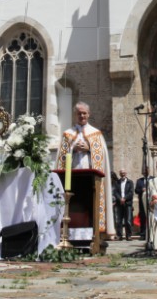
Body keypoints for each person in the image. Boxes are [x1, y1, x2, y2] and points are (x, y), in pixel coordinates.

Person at [55, 102, 116, 240]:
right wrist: (72, 148)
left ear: (89, 114)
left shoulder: (96, 134)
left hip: (90, 177)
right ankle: (70, 236)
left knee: (90, 205)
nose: (82, 115)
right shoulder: (67, 134)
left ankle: (93, 237)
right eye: (79, 113)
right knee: (73, 207)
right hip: (73, 177)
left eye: (84, 113)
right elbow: (61, 158)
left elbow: (102, 155)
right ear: (75, 115)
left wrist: (89, 148)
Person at [112, 169, 134, 241]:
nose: (123, 174)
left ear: (126, 173)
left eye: (124, 173)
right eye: (121, 173)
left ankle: (129, 235)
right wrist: (120, 199)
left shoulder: (130, 182)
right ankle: (119, 235)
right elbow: (115, 192)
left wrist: (124, 198)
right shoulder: (117, 182)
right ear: (119, 174)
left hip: (127, 204)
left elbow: (131, 192)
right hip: (119, 204)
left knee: (128, 220)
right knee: (118, 221)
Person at [134, 166, 149, 239]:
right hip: (142, 202)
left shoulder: (153, 179)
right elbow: (136, 190)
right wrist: (141, 190)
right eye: (143, 170)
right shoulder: (139, 181)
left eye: (146, 170)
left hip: (150, 202)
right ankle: (143, 234)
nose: (145, 172)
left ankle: (150, 233)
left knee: (150, 218)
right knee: (142, 218)